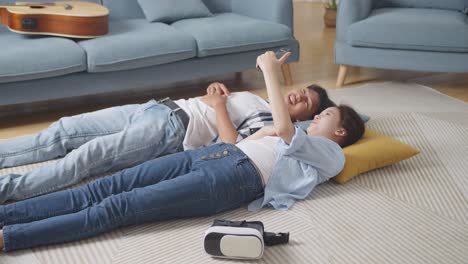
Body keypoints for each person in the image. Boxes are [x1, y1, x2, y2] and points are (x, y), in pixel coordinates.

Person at [0, 51, 365, 252]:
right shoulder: (289, 133)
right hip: (212, 156)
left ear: (341, 131)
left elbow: (286, 129)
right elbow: (245, 140)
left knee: (116, 208)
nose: (315, 117)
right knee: (101, 188)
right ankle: (8, 213)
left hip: (235, 177)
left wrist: (270, 70)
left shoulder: (332, 154)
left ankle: (10, 238)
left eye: (324, 114)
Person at [0, 80, 335, 204]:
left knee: (85, 158)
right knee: (62, 130)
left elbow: (234, 147)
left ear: (304, 118)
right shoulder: (258, 101)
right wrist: (216, 93)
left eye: (305, 101)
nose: (296, 95)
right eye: (301, 90)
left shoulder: (272, 125)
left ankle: (7, 191)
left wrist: (218, 105)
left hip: (173, 129)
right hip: (158, 107)